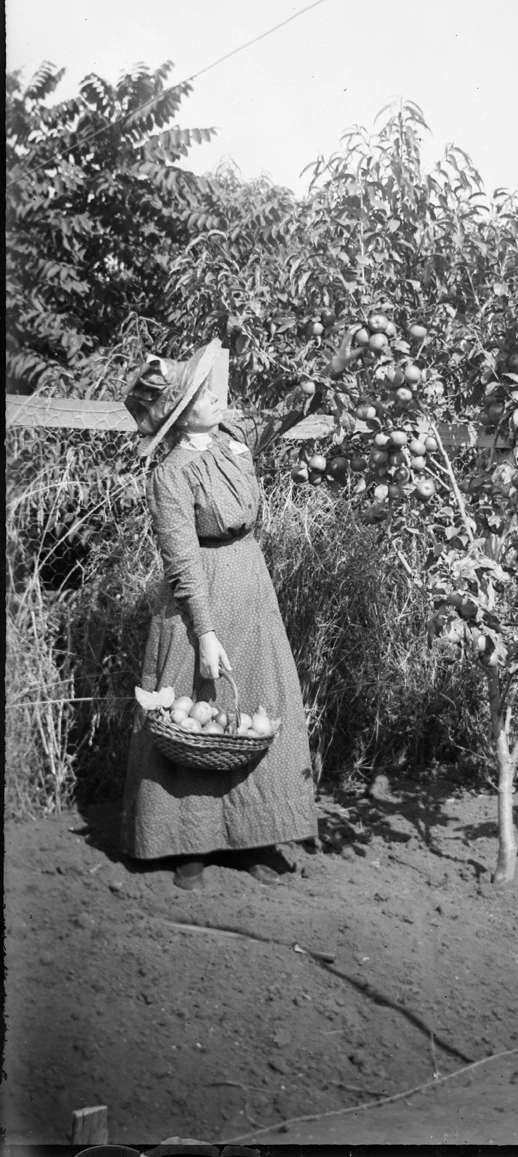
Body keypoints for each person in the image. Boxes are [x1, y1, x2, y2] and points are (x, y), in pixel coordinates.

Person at [121, 330, 359, 890]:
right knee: (191, 705)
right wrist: (204, 633)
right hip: (197, 595)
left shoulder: (234, 435)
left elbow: (286, 410)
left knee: (258, 700)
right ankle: (189, 845)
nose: (217, 400)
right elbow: (180, 558)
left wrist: (334, 365)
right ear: (180, 416)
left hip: (251, 584)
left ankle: (257, 838)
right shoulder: (171, 472)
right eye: (203, 396)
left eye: (215, 391)